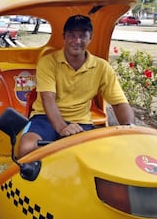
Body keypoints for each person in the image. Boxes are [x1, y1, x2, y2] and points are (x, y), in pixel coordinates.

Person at [18, 15, 135, 158]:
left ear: (90, 37)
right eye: (72, 36)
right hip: (44, 118)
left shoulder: (102, 67)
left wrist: (130, 130)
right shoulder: (48, 62)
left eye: (82, 36)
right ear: (64, 37)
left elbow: (119, 103)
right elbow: (48, 99)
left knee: (97, 158)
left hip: (81, 122)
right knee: (27, 149)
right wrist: (63, 128)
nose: (77, 41)